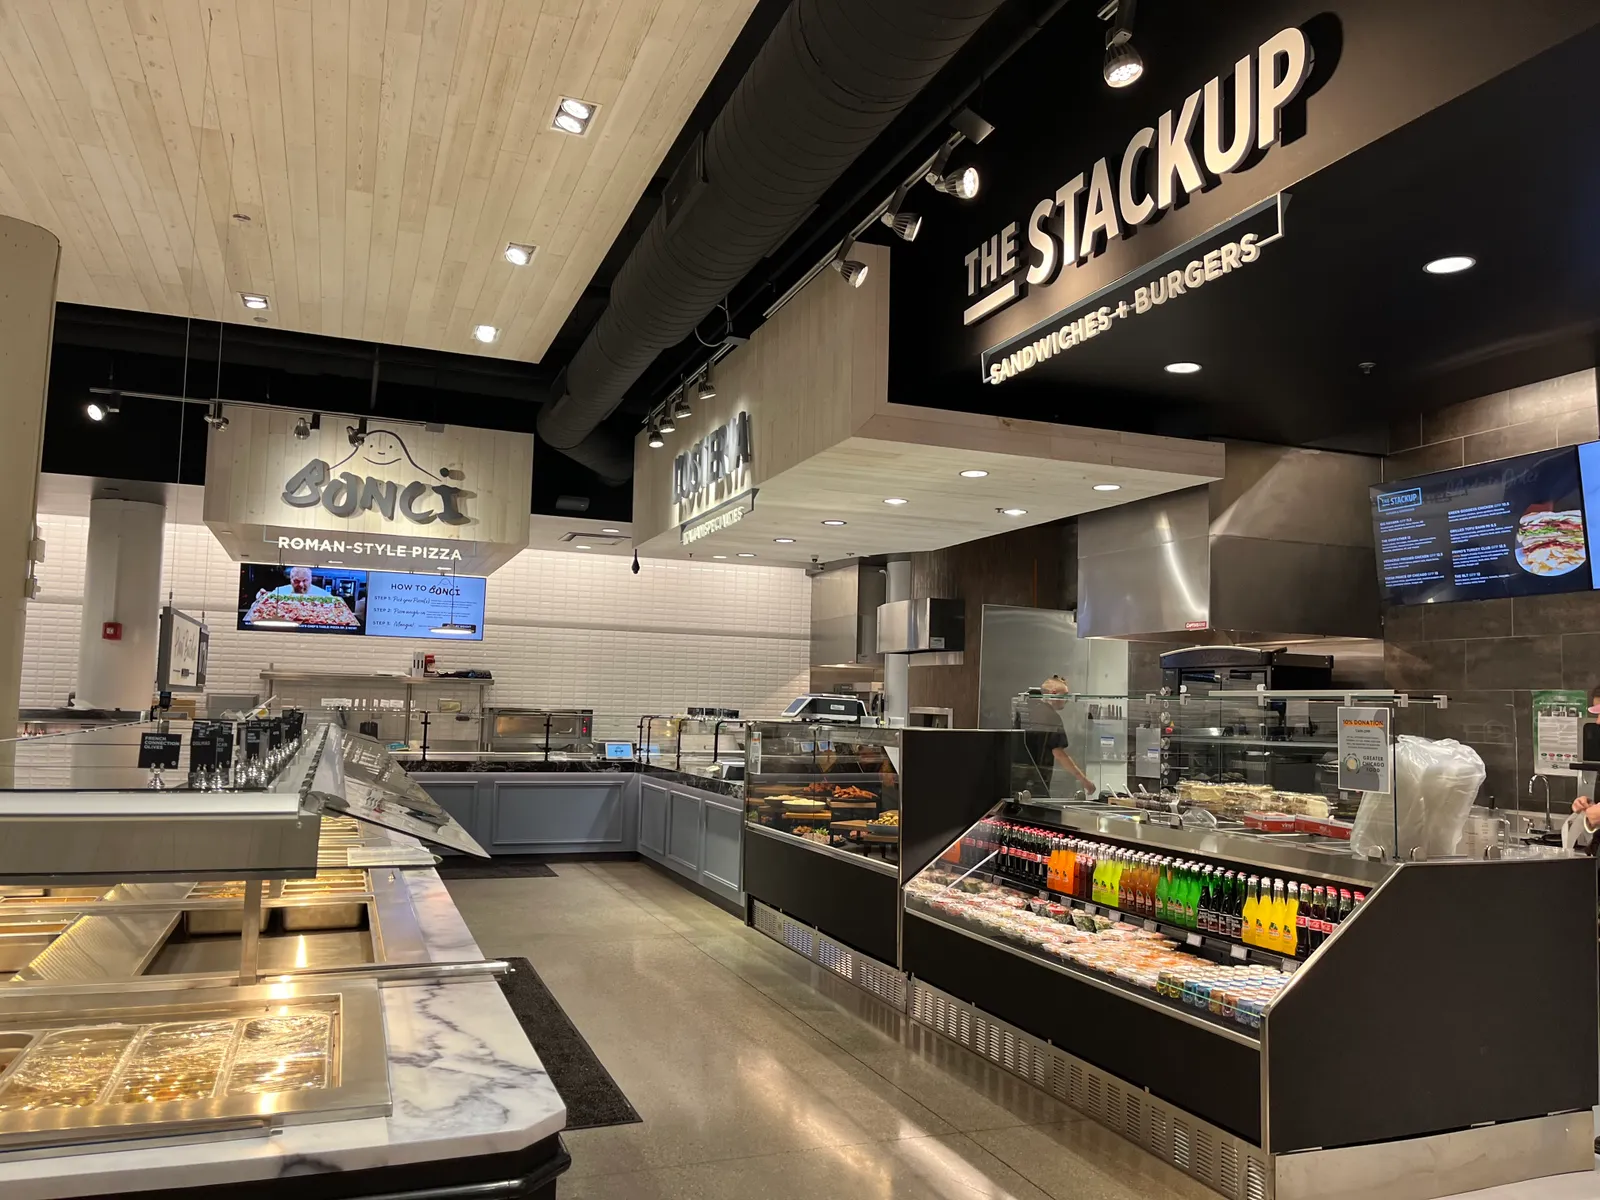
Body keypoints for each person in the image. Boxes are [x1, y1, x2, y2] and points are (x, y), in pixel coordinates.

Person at [1019, 675, 1097, 798]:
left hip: (1021, 776)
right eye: (1065, 695)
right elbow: (1059, 754)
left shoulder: (1026, 711)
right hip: (1038, 778)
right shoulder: (1052, 718)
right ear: (1053, 693)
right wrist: (1085, 781)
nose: (1066, 700)